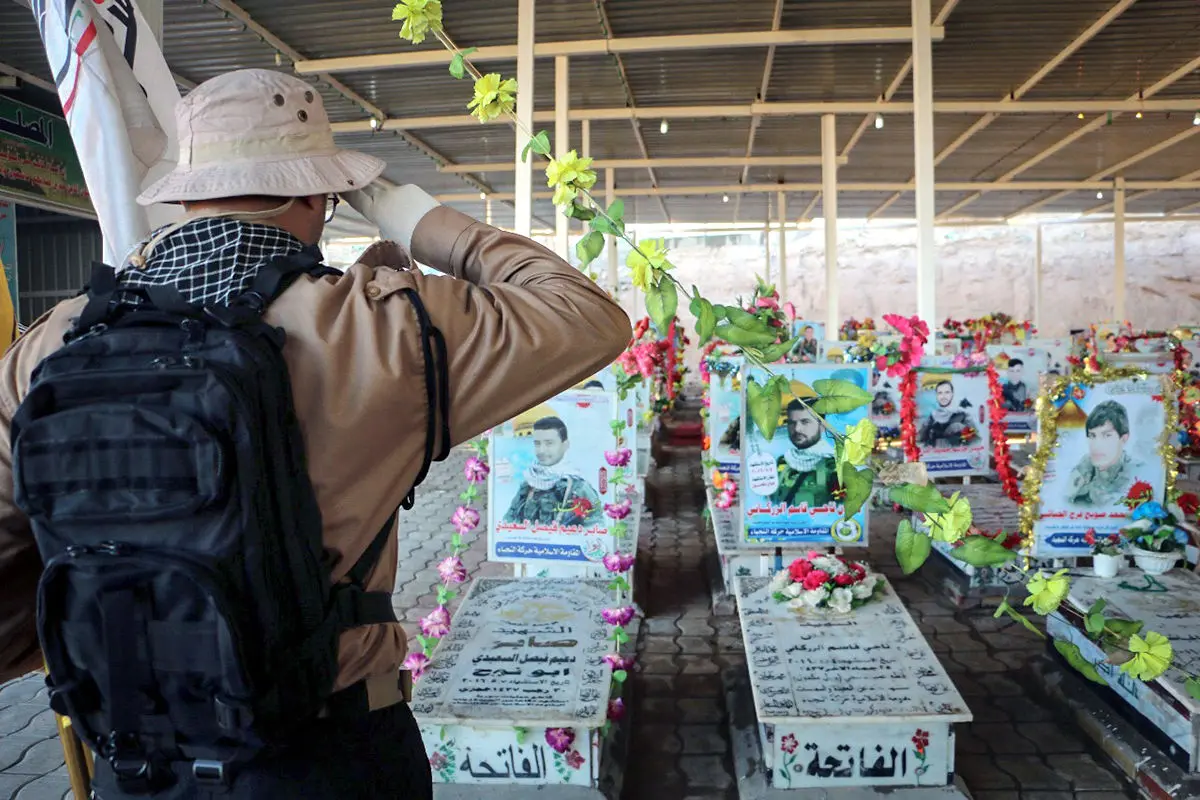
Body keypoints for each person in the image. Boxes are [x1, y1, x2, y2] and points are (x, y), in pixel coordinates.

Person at [0, 70, 630, 798]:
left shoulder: (58, 340)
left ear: (183, 193)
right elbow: (586, 316)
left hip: (135, 758)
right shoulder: (384, 324)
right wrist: (418, 221)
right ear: (318, 194)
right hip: (328, 753)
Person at [502, 416, 602, 526]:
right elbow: (508, 522)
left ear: (565, 445)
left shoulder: (578, 488)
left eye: (549, 443)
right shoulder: (529, 483)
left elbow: (595, 527)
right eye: (537, 444)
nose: (541, 450)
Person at [1068, 400, 1143, 507]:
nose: (1096, 445)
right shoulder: (1085, 464)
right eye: (1092, 436)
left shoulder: (1137, 472)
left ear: (1124, 438)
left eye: (1107, 436)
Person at [770, 399, 837, 507]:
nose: (797, 429)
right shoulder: (782, 462)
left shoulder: (834, 466)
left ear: (822, 426)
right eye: (791, 422)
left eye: (805, 422)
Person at [918, 380, 972, 447]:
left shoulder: (963, 414)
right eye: (940, 393)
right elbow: (920, 440)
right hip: (934, 455)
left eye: (947, 392)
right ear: (936, 395)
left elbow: (975, 440)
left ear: (952, 394)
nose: (943, 396)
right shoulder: (931, 416)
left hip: (958, 454)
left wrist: (959, 429)